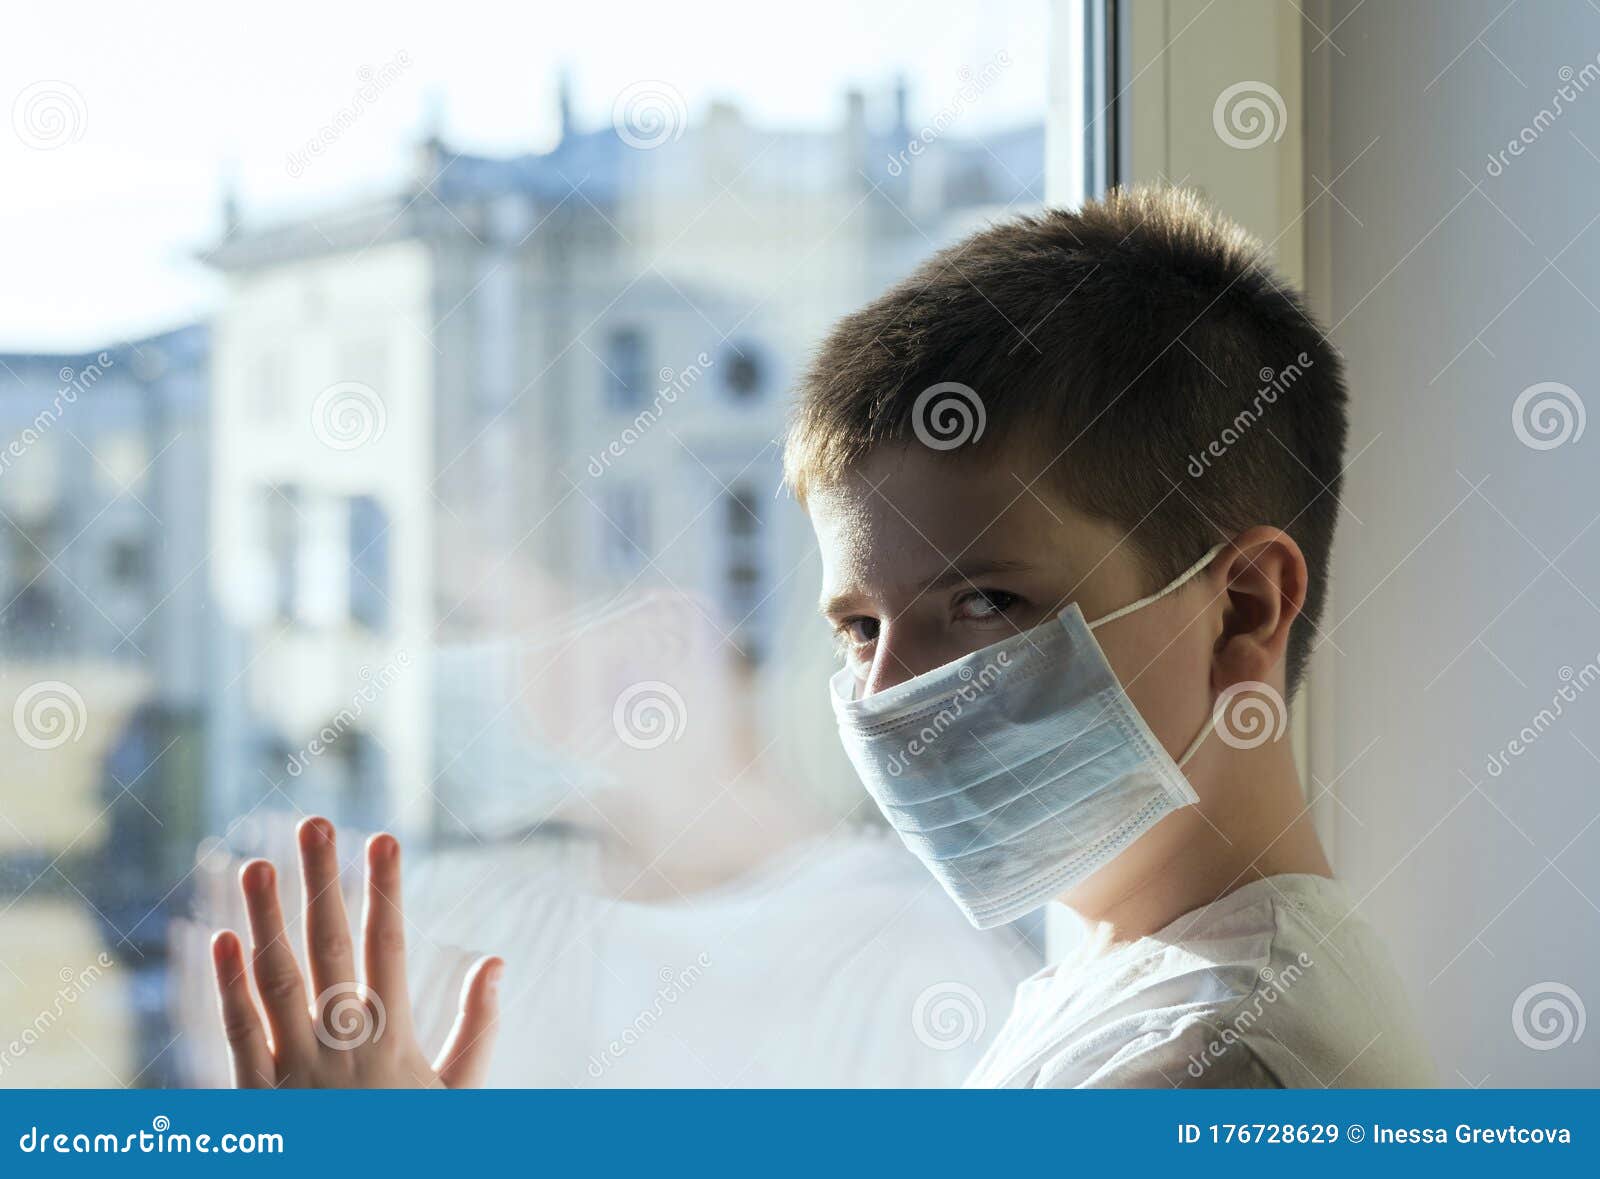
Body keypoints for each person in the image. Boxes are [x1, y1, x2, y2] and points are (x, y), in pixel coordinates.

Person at [210, 186, 1435, 1088]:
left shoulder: (1206, 1071)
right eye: (857, 626)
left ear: (1242, 611)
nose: (892, 694)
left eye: (986, 603)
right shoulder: (1111, 986)